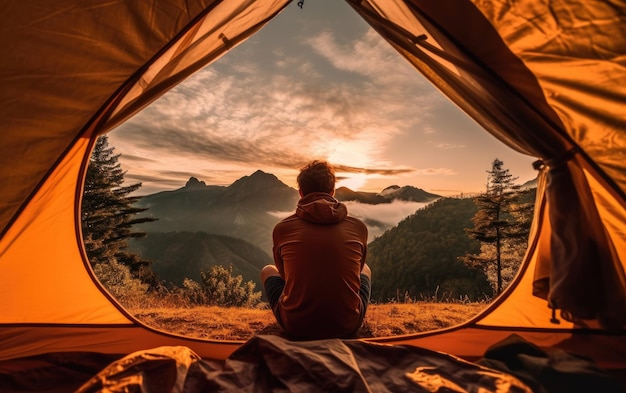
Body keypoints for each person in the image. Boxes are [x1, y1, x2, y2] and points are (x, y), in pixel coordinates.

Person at [261, 160, 371, 340]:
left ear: (301, 193)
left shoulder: (282, 229)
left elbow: (285, 276)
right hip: (347, 325)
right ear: (333, 191)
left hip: (296, 326)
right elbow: (357, 272)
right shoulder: (359, 227)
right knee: (366, 269)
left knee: (268, 270)